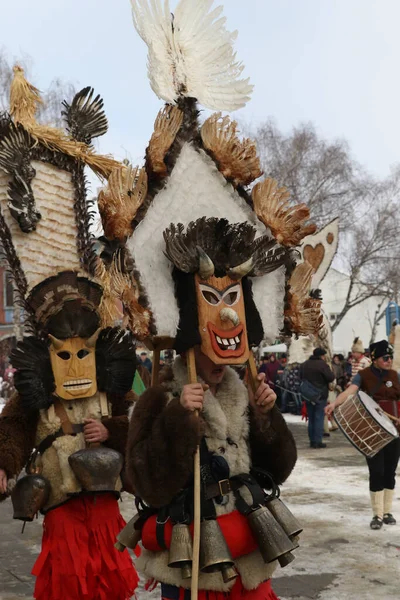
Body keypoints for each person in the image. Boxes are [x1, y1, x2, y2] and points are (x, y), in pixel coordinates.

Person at [0, 71, 138, 600]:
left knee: (108, 580)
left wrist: (114, 434)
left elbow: (134, 424)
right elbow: (13, 425)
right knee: (68, 583)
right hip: (58, 501)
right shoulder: (35, 382)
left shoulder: (112, 376)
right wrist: (3, 462)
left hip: (105, 504)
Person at [326, 340, 400, 530]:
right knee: (377, 471)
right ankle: (377, 514)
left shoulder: (395, 375)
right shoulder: (363, 376)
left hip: (395, 431)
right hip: (372, 430)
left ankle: (387, 511)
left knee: (390, 471)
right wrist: (335, 404)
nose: (389, 360)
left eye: (390, 357)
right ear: (374, 358)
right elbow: (350, 391)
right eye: (385, 357)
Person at [300, 348, 335, 448]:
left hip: (308, 395)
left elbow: (300, 377)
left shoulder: (305, 364)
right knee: (319, 417)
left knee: (311, 418)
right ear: (321, 356)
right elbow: (331, 377)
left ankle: (312, 440)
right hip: (320, 395)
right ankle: (317, 441)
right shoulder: (322, 364)